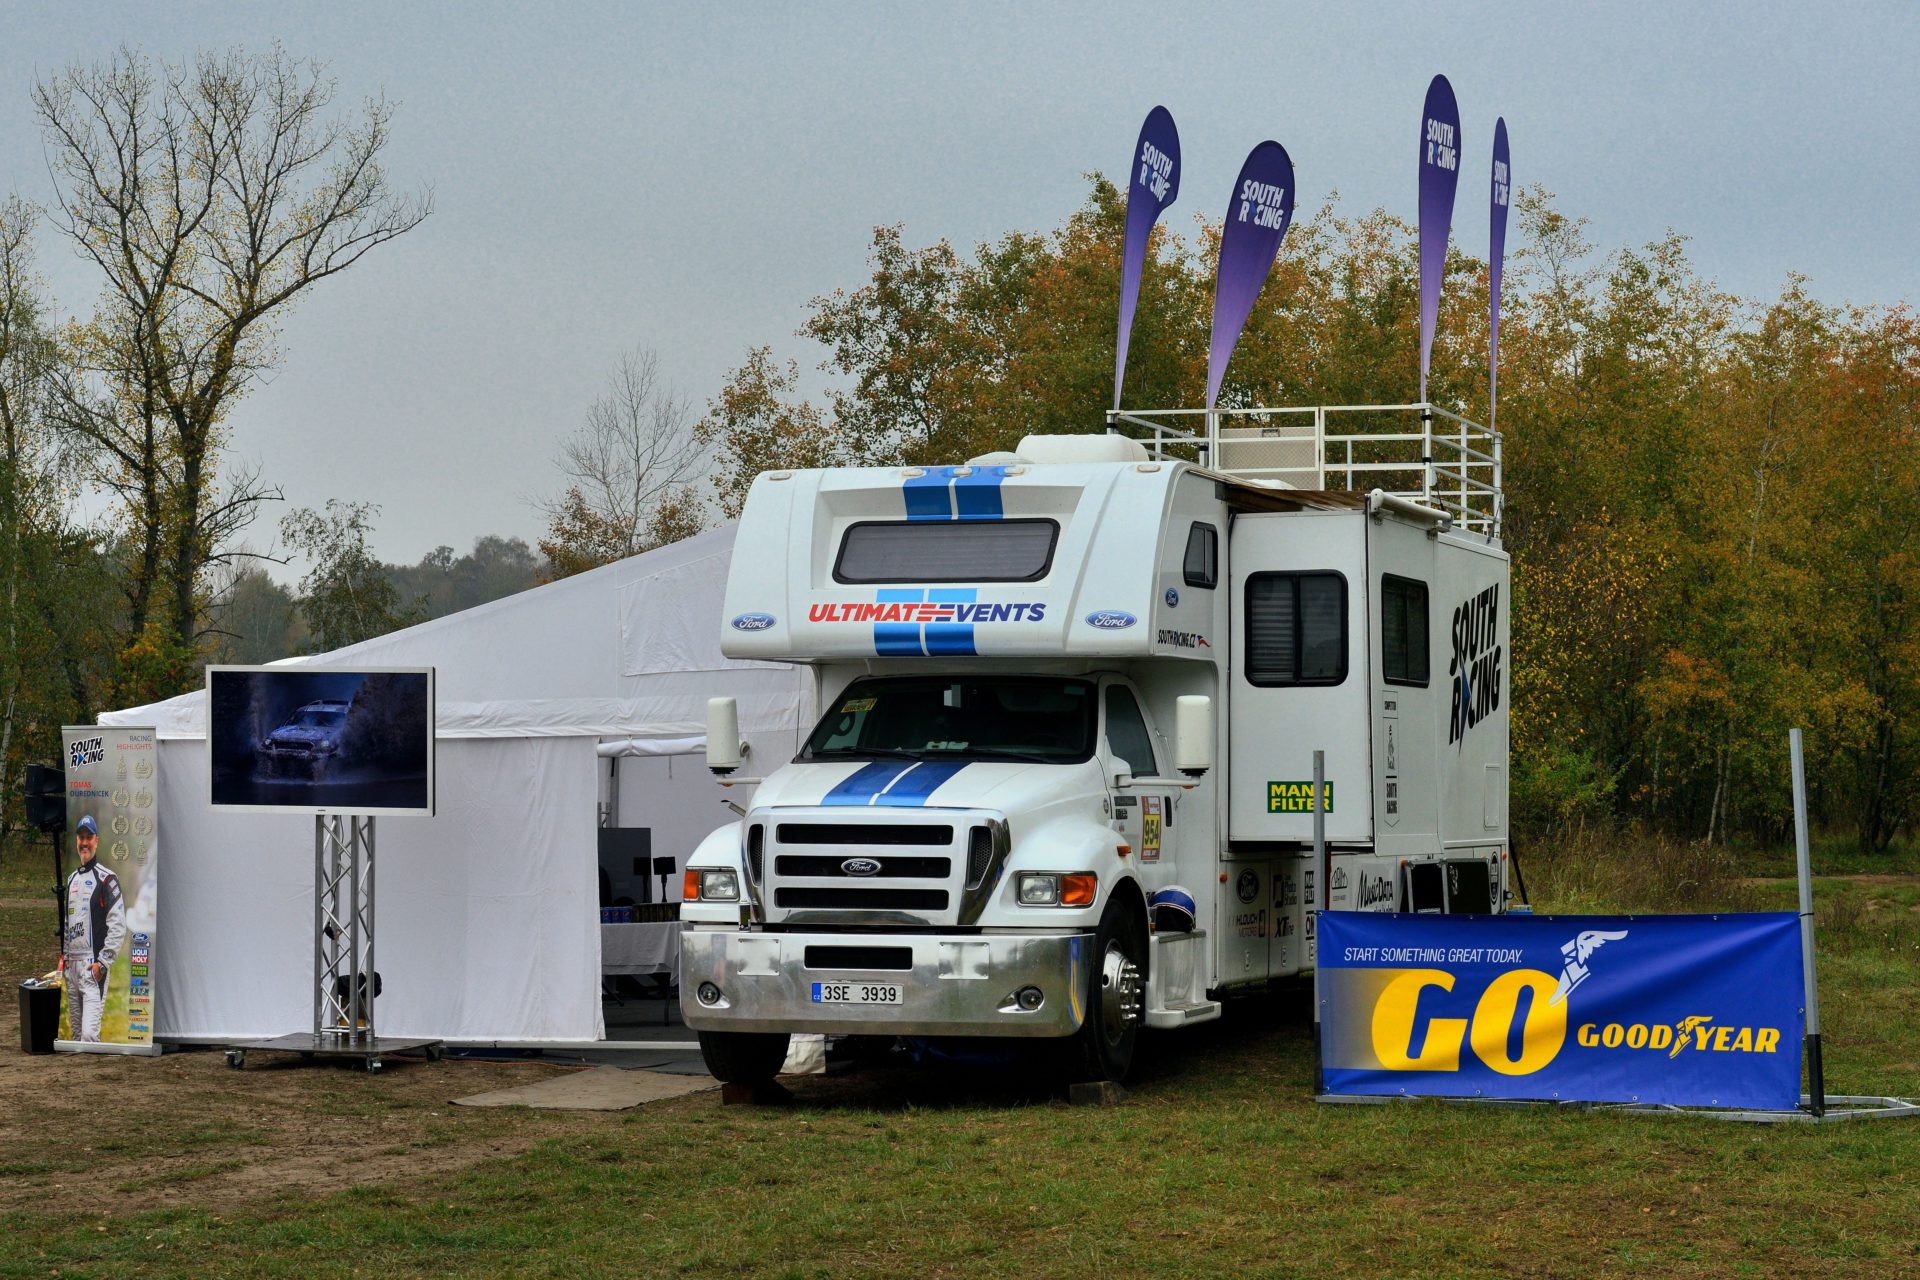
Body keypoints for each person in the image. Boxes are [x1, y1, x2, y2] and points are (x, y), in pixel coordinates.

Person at [63, 814, 125, 1043]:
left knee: (89, 1037)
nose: (85, 842)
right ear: (77, 841)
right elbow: (68, 925)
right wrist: (65, 960)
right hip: (72, 967)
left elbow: (118, 924)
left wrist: (103, 963)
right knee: (76, 1036)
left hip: (92, 966)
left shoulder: (107, 879)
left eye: (89, 837)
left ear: (96, 841)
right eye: (81, 837)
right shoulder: (70, 880)